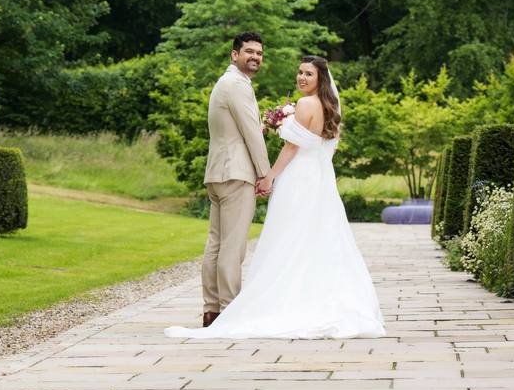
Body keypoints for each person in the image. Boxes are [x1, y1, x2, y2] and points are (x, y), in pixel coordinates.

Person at [165, 55, 386, 339]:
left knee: (287, 235)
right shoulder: (328, 107)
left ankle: (281, 300)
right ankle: (312, 298)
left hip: (297, 176)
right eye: (300, 72)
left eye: (308, 74)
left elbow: (292, 148)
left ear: (320, 78)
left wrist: (269, 175)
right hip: (318, 177)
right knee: (313, 237)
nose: (301, 77)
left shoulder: (305, 105)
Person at [198, 32, 271, 328]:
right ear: (234, 55)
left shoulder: (224, 83)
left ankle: (211, 310)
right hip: (235, 173)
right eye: (249, 52)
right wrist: (265, 174)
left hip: (218, 172)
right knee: (233, 245)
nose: (255, 57)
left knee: (216, 243)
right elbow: (251, 135)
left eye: (259, 53)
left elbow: (240, 129)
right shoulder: (237, 85)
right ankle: (229, 310)